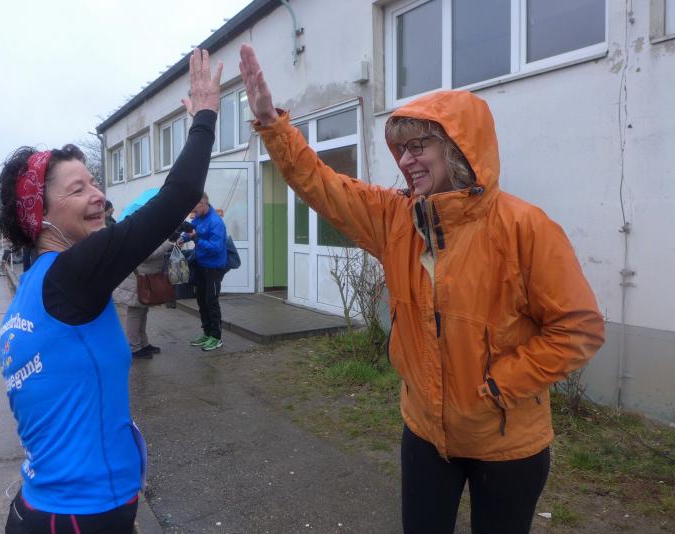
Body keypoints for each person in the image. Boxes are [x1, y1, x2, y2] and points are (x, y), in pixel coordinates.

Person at [239, 44, 605, 534]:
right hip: (425, 433)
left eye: (418, 147)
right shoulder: (396, 218)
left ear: (457, 148)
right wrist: (272, 126)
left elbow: (578, 329)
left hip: (507, 441)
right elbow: (320, 184)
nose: (406, 160)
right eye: (401, 149)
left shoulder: (525, 227)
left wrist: (502, 385)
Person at [0, 48, 222, 534]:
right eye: (77, 189)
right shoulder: (73, 274)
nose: (98, 194)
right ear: (41, 215)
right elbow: (178, 196)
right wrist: (205, 116)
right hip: (80, 517)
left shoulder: (34, 287)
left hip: (47, 507)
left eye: (95, 182)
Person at [113, 238, 175, 359]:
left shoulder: (148, 231)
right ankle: (134, 348)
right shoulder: (144, 232)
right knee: (135, 313)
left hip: (143, 277)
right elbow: (148, 254)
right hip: (137, 279)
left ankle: (143, 343)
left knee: (142, 312)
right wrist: (169, 243)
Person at [182, 192, 227, 351]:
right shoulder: (199, 217)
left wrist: (196, 239)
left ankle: (216, 337)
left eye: (195, 208)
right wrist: (181, 237)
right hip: (201, 265)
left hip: (214, 267)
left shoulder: (216, 222)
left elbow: (216, 248)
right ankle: (207, 333)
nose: (194, 212)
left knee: (211, 301)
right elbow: (191, 231)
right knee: (201, 300)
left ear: (204, 203)